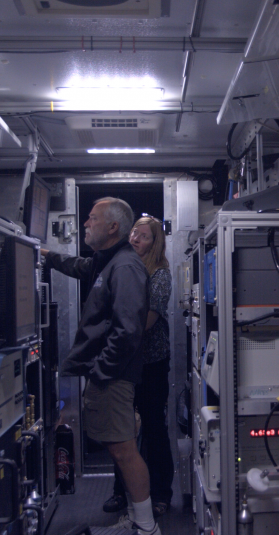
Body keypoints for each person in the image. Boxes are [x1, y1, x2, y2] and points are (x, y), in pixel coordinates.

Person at [41, 197, 161, 535]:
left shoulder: (124, 266)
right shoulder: (106, 262)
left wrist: (101, 372)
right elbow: (81, 268)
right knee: (119, 447)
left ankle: (146, 527)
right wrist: (50, 258)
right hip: (109, 374)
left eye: (92, 219)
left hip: (114, 376)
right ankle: (141, 522)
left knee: (124, 450)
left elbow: (128, 329)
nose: (85, 224)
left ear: (112, 227)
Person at [103, 216, 174, 518]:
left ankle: (160, 493)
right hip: (124, 363)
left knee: (154, 428)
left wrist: (110, 329)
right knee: (122, 433)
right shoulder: (122, 267)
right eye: (133, 233)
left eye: (143, 236)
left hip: (150, 364)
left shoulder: (159, 275)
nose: (134, 239)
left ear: (154, 243)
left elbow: (146, 321)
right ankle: (122, 492)